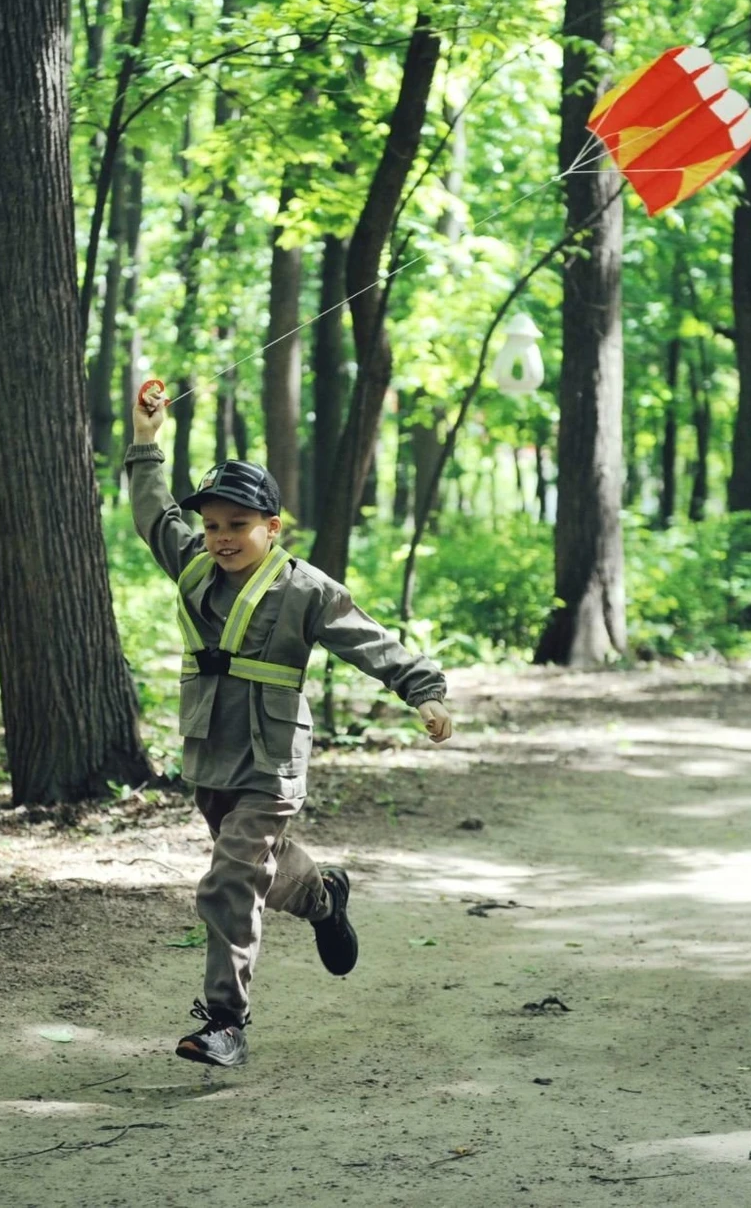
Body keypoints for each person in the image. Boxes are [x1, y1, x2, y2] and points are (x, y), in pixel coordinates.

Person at [126, 386, 454, 1068]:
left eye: (237, 525)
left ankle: (225, 1021)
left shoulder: (304, 588)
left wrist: (422, 690)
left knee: (227, 880)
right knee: (254, 871)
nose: (220, 537)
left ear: (271, 527)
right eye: (213, 524)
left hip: (272, 758)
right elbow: (153, 512)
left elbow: (367, 639)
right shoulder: (191, 566)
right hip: (210, 752)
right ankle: (324, 896)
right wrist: (147, 440)